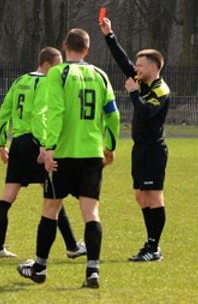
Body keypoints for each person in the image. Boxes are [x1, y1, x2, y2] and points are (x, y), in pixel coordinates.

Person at [16, 28, 120, 288]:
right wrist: (110, 145)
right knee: (91, 212)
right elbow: (114, 115)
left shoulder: (57, 74)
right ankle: (93, 271)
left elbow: (56, 113)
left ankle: (39, 267)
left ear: (64, 46)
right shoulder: (100, 75)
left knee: (51, 209)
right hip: (92, 153)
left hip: (63, 154)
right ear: (87, 49)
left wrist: (48, 147)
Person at [0, 47, 86, 259]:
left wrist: (0, 143)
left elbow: (4, 111)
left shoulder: (19, 81)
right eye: (57, 64)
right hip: (36, 144)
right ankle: (72, 246)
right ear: (46, 64)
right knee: (54, 193)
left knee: (8, 195)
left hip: (17, 142)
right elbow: (39, 116)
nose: (60, 68)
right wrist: (44, 146)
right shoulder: (45, 83)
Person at [100, 18, 170, 263]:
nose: (136, 69)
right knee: (141, 196)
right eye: (137, 65)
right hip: (139, 149)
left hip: (153, 150)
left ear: (153, 67)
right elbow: (122, 61)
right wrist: (110, 35)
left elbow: (146, 113)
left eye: (141, 65)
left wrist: (131, 92)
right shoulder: (141, 81)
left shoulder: (161, 90)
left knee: (153, 196)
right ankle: (151, 245)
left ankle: (153, 247)